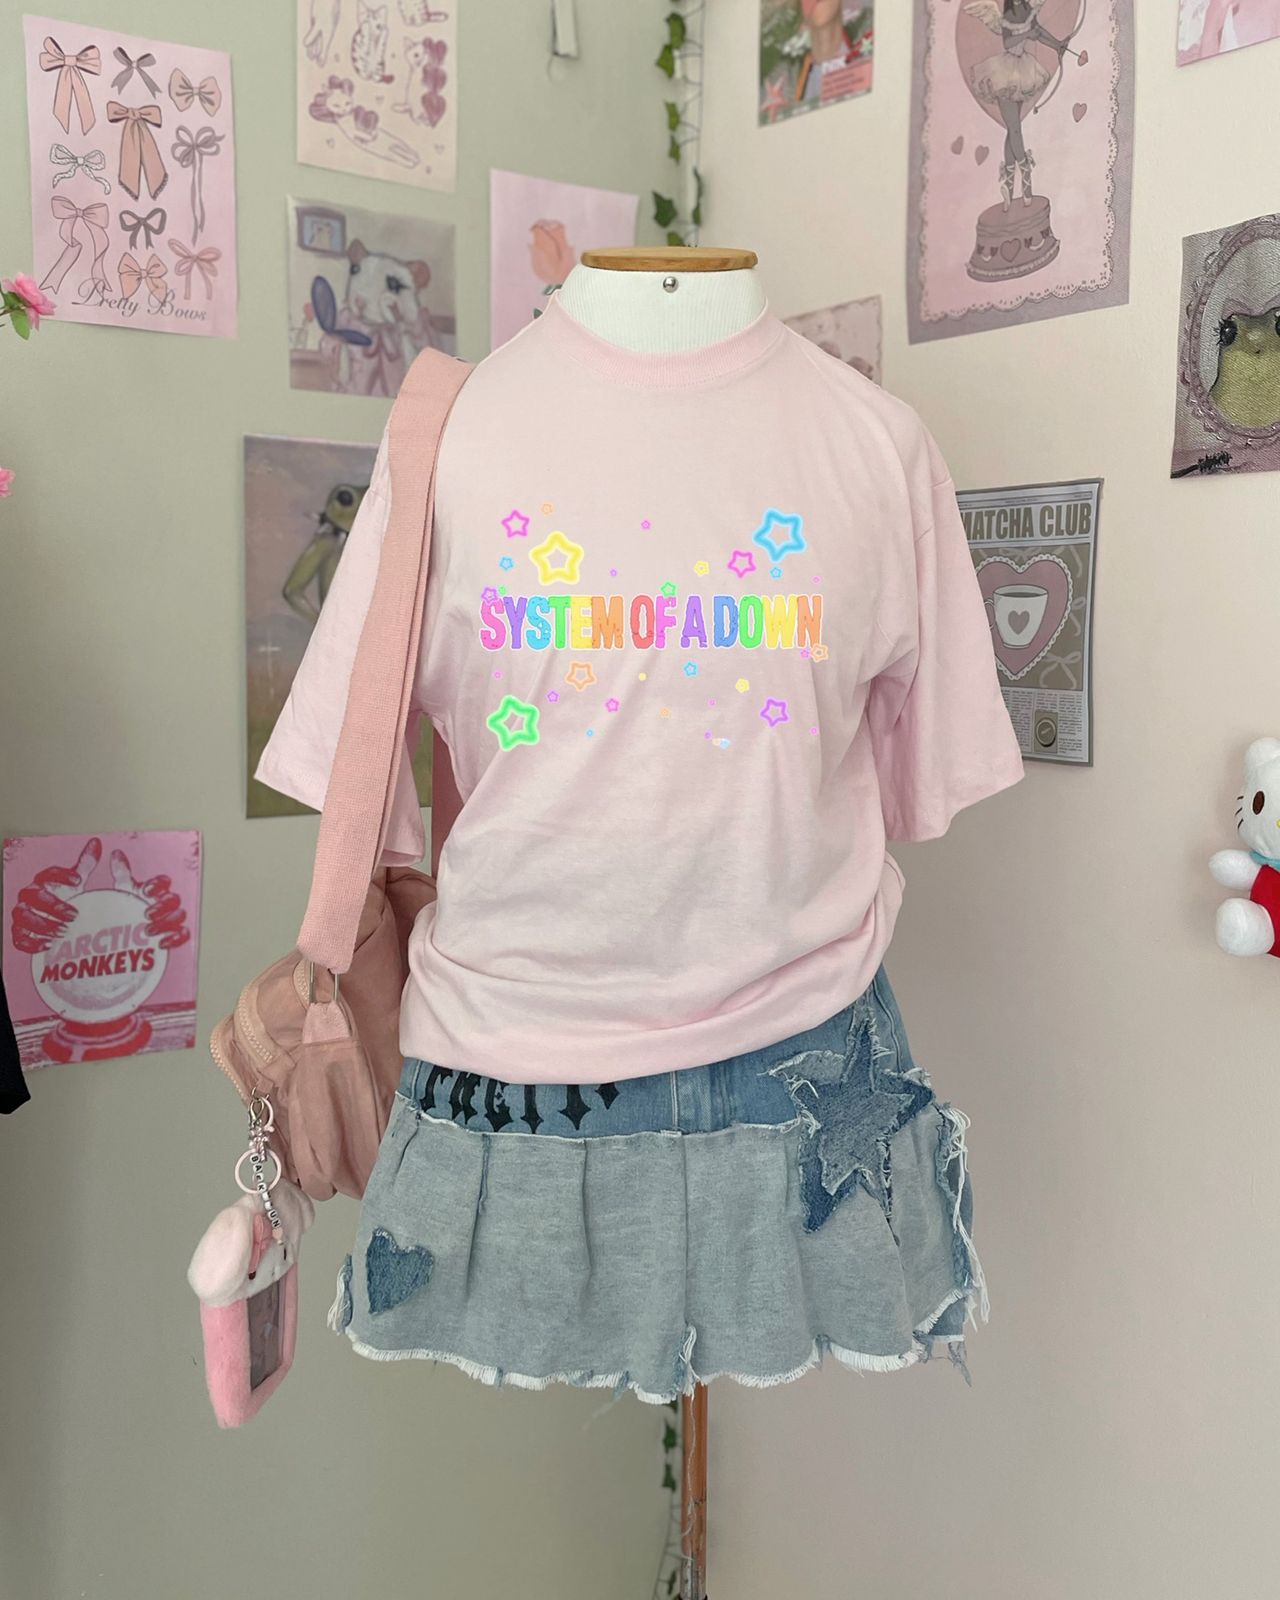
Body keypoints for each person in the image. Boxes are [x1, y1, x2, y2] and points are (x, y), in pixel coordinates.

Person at [963, 0, 1068, 209]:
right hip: (1004, 73)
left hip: (1022, 70)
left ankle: (1009, 187)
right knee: (1015, 129)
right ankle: (1026, 178)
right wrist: (1027, 34)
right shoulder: (1007, 17)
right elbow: (1008, 43)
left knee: (1012, 131)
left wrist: (1057, 44)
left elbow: (1038, 31)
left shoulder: (1028, 9)